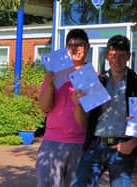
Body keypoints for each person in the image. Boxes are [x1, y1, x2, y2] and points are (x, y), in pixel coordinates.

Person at [73, 35, 137, 187]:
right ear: (106, 56)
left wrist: (132, 143)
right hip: (96, 145)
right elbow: (83, 121)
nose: (117, 60)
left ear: (129, 56)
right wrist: (78, 105)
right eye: (113, 55)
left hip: (122, 147)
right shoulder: (96, 82)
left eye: (122, 56)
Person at [36, 28, 90, 187]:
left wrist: (79, 105)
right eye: (71, 45)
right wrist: (50, 84)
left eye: (80, 44)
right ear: (66, 48)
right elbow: (45, 107)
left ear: (87, 47)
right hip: (52, 141)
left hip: (79, 144)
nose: (75, 48)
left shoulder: (91, 75)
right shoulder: (55, 71)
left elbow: (87, 119)